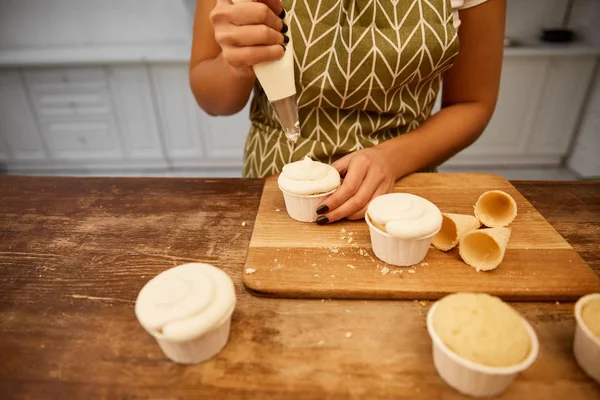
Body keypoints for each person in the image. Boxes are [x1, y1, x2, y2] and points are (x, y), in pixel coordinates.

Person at [190, 0, 506, 224]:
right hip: (274, 185)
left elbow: (472, 103)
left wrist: (391, 160)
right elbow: (214, 101)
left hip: (402, 185)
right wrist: (238, 63)